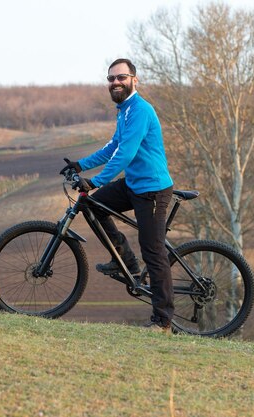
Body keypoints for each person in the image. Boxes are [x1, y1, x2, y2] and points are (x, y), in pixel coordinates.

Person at [60, 58, 174, 332]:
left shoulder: (140, 110)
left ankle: (163, 321)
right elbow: (113, 147)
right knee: (93, 205)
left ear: (134, 79)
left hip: (153, 190)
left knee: (154, 251)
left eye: (121, 77)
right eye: (111, 78)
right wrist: (80, 165)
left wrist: (96, 180)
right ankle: (125, 261)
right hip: (134, 184)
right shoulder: (123, 111)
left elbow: (126, 153)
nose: (115, 82)